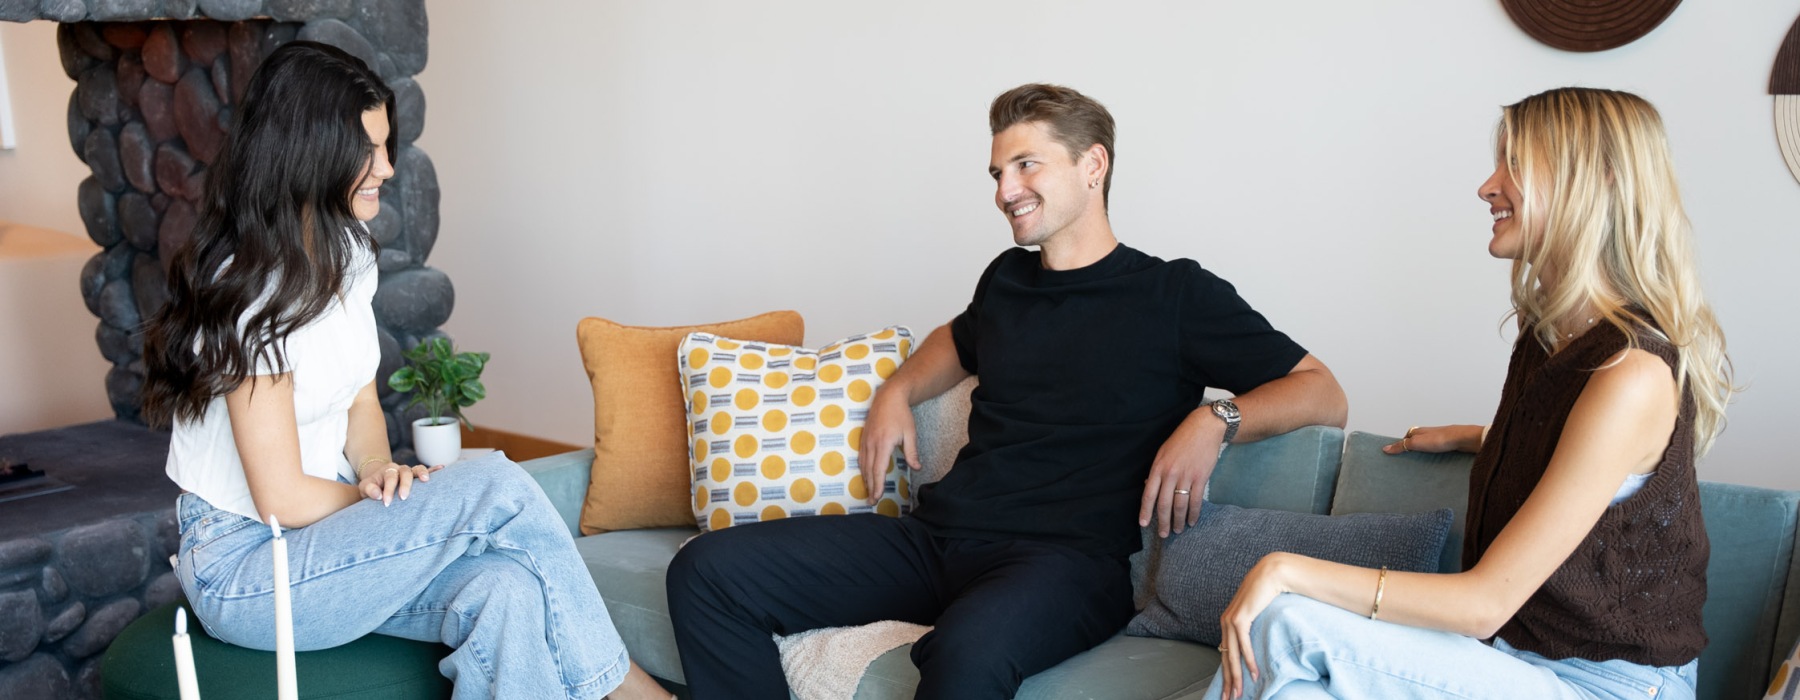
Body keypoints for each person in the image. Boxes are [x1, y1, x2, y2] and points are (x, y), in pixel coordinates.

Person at [666, 83, 1348, 699]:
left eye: (1027, 165)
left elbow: (1322, 392)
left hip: (1065, 566)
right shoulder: (1008, 280)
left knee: (968, 653)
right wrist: (896, 391)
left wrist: (1216, 418)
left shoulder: (1174, 294)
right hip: (938, 539)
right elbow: (955, 342)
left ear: (1093, 166)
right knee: (707, 571)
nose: (1004, 189)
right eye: (998, 172)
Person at [139, 41, 670, 700]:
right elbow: (280, 498)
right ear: (310, 151)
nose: (386, 167)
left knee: (504, 589)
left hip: (320, 541)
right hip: (248, 567)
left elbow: (361, 401)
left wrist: (373, 470)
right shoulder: (250, 290)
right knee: (493, 484)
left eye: (387, 147)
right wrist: (393, 507)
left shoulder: (343, 252)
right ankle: (637, 694)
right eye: (369, 150)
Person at [1206, 87, 1735, 700]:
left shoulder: (1631, 373)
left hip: (1608, 685)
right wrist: (1486, 438)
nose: (1488, 186)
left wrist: (1285, 567)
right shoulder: (1548, 341)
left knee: (1287, 622)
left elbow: (1485, 603)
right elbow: (1588, 463)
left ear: (1595, 181)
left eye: (1515, 163)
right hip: (1513, 662)